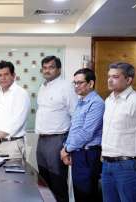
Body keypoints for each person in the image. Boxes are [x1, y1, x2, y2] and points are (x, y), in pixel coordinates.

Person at [35, 55, 78, 202]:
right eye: (45, 68)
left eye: (51, 67)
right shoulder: (43, 86)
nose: (47, 71)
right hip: (42, 140)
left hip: (57, 140)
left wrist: (68, 145)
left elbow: (75, 116)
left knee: (57, 182)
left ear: (59, 69)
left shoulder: (67, 87)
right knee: (44, 181)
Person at [60, 68, 104, 202]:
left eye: (80, 83)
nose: (76, 86)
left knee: (87, 195)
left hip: (88, 154)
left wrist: (67, 149)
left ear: (91, 84)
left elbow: (86, 133)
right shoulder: (81, 102)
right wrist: (66, 148)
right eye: (75, 83)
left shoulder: (96, 103)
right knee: (79, 194)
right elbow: (74, 129)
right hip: (77, 153)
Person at [101, 62, 136, 202]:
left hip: (126, 166)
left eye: (115, 77)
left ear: (129, 80)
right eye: (109, 76)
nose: (109, 80)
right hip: (106, 164)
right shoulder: (108, 100)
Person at [0, 60, 30, 158]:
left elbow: (19, 120)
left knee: (12, 173)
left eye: (6, 74)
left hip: (12, 145)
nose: (3, 78)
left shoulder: (21, 94)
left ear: (13, 75)